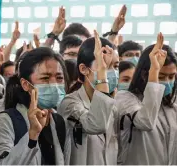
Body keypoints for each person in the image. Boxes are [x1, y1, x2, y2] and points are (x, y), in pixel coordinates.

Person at [0, 47, 71, 165]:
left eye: (59, 78)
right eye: (45, 78)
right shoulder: (7, 120)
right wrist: (32, 136)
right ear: (26, 84)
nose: (54, 84)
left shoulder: (58, 121)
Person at [115, 33, 177, 165]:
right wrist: (154, 70)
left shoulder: (172, 106)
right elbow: (145, 121)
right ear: (144, 75)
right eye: (161, 76)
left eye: (172, 77)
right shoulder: (125, 99)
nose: (167, 82)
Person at [58, 31, 117, 165]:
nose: (111, 72)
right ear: (84, 69)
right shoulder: (70, 103)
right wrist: (102, 74)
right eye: (104, 65)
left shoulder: (113, 103)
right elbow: (96, 124)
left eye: (115, 66)